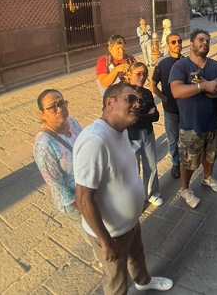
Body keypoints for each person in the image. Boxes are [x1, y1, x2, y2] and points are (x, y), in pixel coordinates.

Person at [74, 83, 173, 294]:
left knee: (137, 256)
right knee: (116, 280)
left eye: (139, 100)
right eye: (130, 99)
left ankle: (143, 281)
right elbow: (83, 199)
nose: (137, 104)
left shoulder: (121, 130)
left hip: (129, 223)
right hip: (112, 234)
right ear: (110, 103)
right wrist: (105, 241)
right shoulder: (95, 141)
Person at [168, 29, 217, 208]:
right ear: (191, 44)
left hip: (214, 123)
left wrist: (214, 87)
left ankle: (207, 177)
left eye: (207, 40)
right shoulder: (181, 66)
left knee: (211, 155)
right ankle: (185, 189)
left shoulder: (216, 66)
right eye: (200, 40)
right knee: (188, 161)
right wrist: (204, 86)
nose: (204, 42)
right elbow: (176, 91)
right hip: (191, 125)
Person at [33, 89, 92, 247]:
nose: (59, 109)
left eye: (61, 103)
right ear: (42, 114)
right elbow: (56, 185)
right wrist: (81, 208)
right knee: (97, 241)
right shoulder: (43, 145)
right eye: (52, 107)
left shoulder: (72, 122)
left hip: (91, 190)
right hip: (77, 202)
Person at [125, 62, 163, 206]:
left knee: (151, 164)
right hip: (130, 136)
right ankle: (133, 198)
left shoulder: (146, 93)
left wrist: (139, 116)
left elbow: (156, 116)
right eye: (138, 73)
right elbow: (129, 119)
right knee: (133, 168)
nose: (142, 77)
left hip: (147, 133)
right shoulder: (123, 94)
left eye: (145, 74)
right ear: (130, 74)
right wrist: (147, 115)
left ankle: (151, 193)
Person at [151, 33, 183, 179]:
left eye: (179, 41)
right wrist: (164, 99)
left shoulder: (186, 61)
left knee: (187, 136)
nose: (177, 44)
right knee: (173, 138)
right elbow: (153, 85)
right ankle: (176, 163)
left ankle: (187, 161)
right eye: (173, 42)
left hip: (186, 107)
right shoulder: (162, 63)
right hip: (170, 109)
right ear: (168, 44)